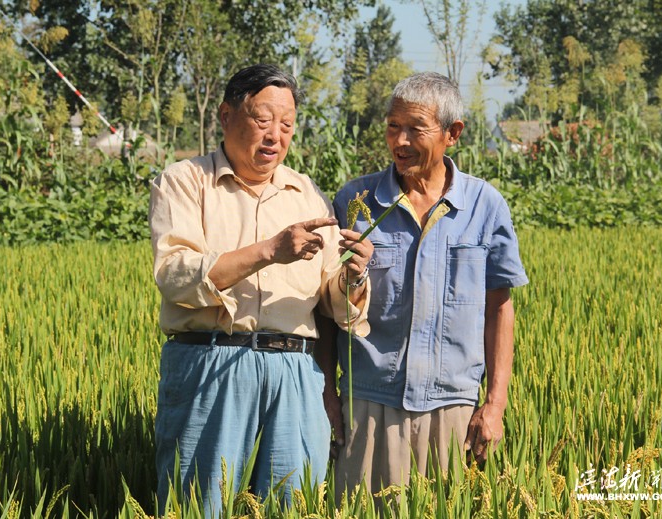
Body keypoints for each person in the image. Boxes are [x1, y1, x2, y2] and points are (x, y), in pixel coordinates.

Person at [148, 64, 373, 515]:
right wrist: (269, 249)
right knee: (199, 504)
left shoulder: (305, 193)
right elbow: (175, 273)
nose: (275, 135)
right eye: (262, 119)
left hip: (295, 372)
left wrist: (354, 276)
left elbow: (331, 301)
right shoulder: (185, 181)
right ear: (226, 115)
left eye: (286, 124)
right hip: (210, 362)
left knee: (293, 505)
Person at [322, 72, 529, 500]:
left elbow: (499, 309)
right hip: (369, 403)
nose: (400, 140)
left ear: (453, 133)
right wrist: (327, 393)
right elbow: (325, 310)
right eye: (392, 126)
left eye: (415, 128)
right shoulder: (355, 203)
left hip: (453, 407)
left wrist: (495, 404)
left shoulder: (484, 206)